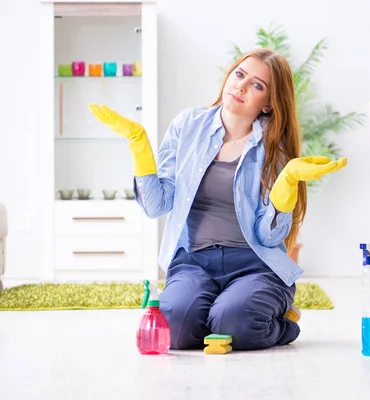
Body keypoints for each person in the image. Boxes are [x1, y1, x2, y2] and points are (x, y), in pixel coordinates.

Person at [88, 48, 347, 351]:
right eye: (239, 75)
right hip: (194, 262)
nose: (241, 86)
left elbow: (269, 235)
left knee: (234, 323)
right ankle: (219, 314)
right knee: (174, 331)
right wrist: (139, 146)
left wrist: (286, 183)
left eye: (257, 85)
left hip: (255, 265)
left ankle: (281, 323)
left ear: (268, 104)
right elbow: (156, 205)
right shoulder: (187, 125)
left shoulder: (273, 147)